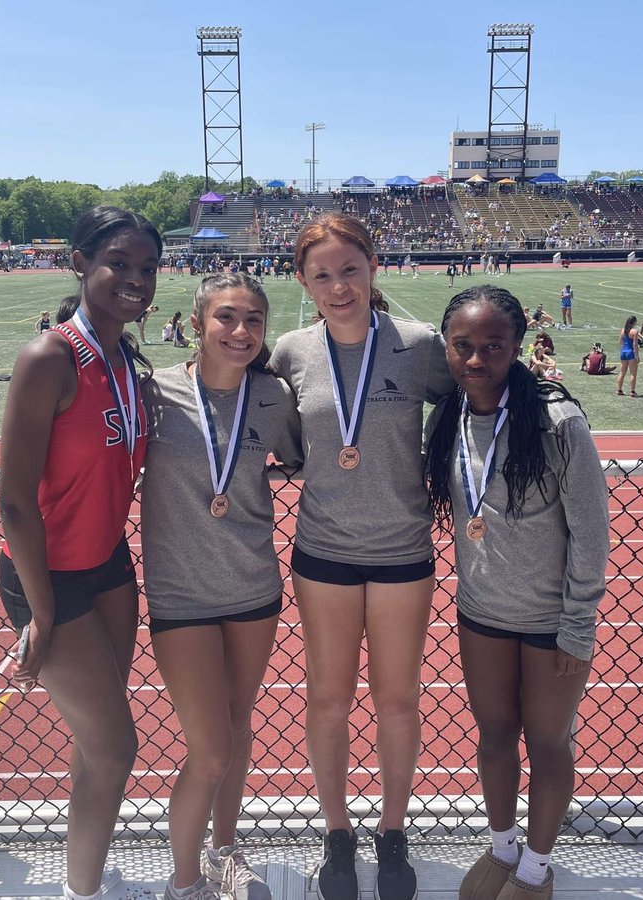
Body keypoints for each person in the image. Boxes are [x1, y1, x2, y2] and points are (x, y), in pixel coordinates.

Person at [270, 213, 453, 900]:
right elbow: (272, 431)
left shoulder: (418, 344)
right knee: (327, 698)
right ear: (303, 281)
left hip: (404, 549)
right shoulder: (290, 351)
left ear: (374, 266)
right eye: (322, 274)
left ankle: (393, 830)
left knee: (398, 700)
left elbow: (473, 400)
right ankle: (337, 831)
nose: (338, 286)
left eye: (349, 269)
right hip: (323, 551)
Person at [423, 285, 609, 900]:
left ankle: (534, 869)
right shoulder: (447, 416)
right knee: (496, 736)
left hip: (552, 620)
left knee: (550, 741)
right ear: (446, 349)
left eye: (493, 346)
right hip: (482, 613)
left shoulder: (557, 421)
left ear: (517, 348)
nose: (476, 359)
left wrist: (577, 624)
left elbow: (590, 533)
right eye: (464, 346)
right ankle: (503, 851)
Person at [0, 206, 159, 900]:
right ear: (80, 262)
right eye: (119, 263)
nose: (135, 279)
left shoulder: (127, 359)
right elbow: (13, 502)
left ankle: (85, 876)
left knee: (99, 746)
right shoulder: (49, 357)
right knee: (117, 748)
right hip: (50, 579)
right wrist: (39, 614)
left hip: (111, 567)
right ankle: (81, 894)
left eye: (148, 268)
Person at [141, 274, 301, 900]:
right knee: (207, 749)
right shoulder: (156, 394)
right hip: (180, 594)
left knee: (237, 729)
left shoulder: (272, 397)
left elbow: (298, 455)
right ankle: (184, 885)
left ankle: (224, 851)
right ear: (199, 322)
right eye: (227, 318)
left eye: (254, 320)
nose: (241, 332)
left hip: (253, 586)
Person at [615, 315, 641, 397]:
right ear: (634, 322)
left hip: (623, 352)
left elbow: (620, 342)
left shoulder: (623, 330)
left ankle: (619, 389)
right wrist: (637, 356)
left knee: (622, 372)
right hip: (630, 353)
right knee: (633, 373)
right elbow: (635, 345)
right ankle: (632, 391)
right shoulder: (634, 332)